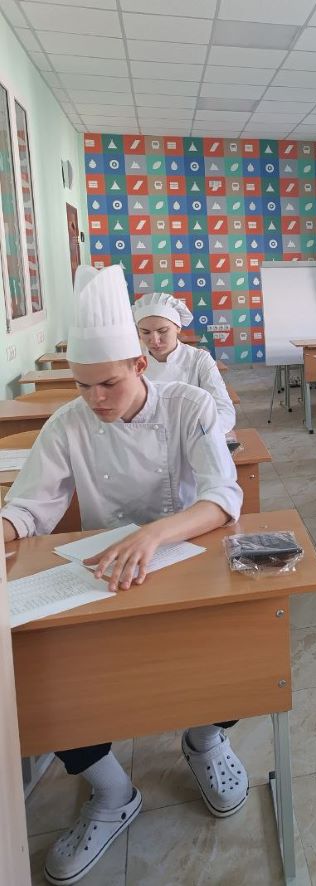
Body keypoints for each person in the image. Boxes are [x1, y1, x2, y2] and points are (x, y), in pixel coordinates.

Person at [2, 265, 246, 885]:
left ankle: (205, 740)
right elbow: (28, 508)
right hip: (106, 574)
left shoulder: (189, 405)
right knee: (49, 680)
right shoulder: (68, 423)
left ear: (140, 364)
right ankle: (111, 791)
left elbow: (222, 497)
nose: (95, 399)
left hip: (186, 559)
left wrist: (155, 533)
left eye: (107, 383)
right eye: (83, 386)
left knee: (240, 655)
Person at [133, 291, 236, 435]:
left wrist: (202, 432)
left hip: (192, 435)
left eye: (162, 331)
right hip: (146, 437)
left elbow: (224, 410)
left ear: (178, 327)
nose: (154, 340)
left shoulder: (199, 360)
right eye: (145, 332)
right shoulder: (132, 362)